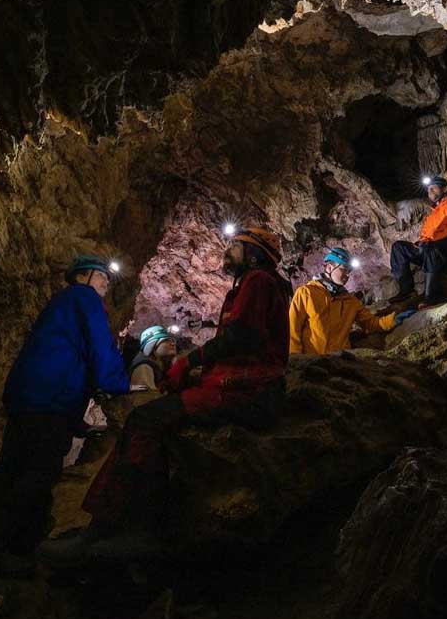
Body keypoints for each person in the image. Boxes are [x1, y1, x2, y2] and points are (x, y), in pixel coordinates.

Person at [38, 226, 292, 566]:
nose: (228, 248)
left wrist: (189, 361)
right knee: (157, 421)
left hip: (248, 392)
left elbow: (241, 336)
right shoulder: (257, 285)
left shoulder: (258, 281)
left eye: (236, 244)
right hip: (246, 388)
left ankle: (119, 528)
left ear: (255, 254)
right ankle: (114, 527)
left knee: (144, 420)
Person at [0, 255, 131, 577]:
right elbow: (99, 346)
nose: (106, 280)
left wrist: (75, 419)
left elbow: (68, 353)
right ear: (83, 277)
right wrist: (118, 383)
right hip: (50, 401)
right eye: (101, 274)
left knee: (10, 470)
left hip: (29, 398)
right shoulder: (84, 298)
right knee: (37, 475)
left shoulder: (62, 303)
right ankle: (17, 552)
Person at [290, 247, 415, 355]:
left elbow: (371, 324)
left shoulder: (350, 301)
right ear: (329, 267)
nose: (347, 275)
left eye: (349, 271)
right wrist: (295, 361)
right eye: (343, 269)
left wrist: (393, 320)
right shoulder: (306, 293)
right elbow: (292, 331)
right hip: (312, 363)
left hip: (340, 363)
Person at [389, 176, 447, 308]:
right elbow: (426, 234)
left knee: (431, 248)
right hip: (432, 247)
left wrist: (431, 241)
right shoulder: (434, 212)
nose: (430, 191)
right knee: (399, 247)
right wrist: (420, 243)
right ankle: (407, 291)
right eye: (428, 190)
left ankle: (431, 297)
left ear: (445, 189)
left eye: (433, 188)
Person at [127, 325, 178, 391]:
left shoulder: (159, 365)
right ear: (152, 345)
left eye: (172, 340)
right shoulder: (143, 368)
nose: (173, 344)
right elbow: (144, 395)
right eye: (166, 340)